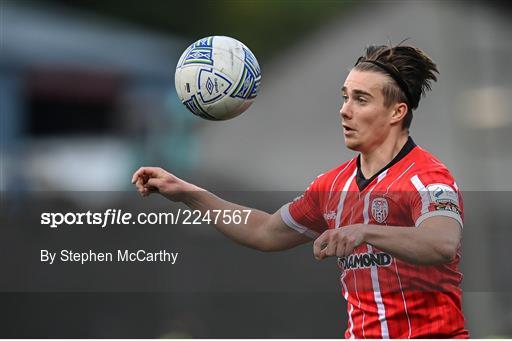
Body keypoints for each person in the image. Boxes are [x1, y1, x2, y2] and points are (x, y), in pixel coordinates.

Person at [132, 44, 469, 338]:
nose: (345, 110)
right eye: (345, 97)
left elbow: (441, 243)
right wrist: (187, 192)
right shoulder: (331, 186)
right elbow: (264, 231)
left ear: (397, 112)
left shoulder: (427, 177)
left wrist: (364, 232)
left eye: (361, 100)